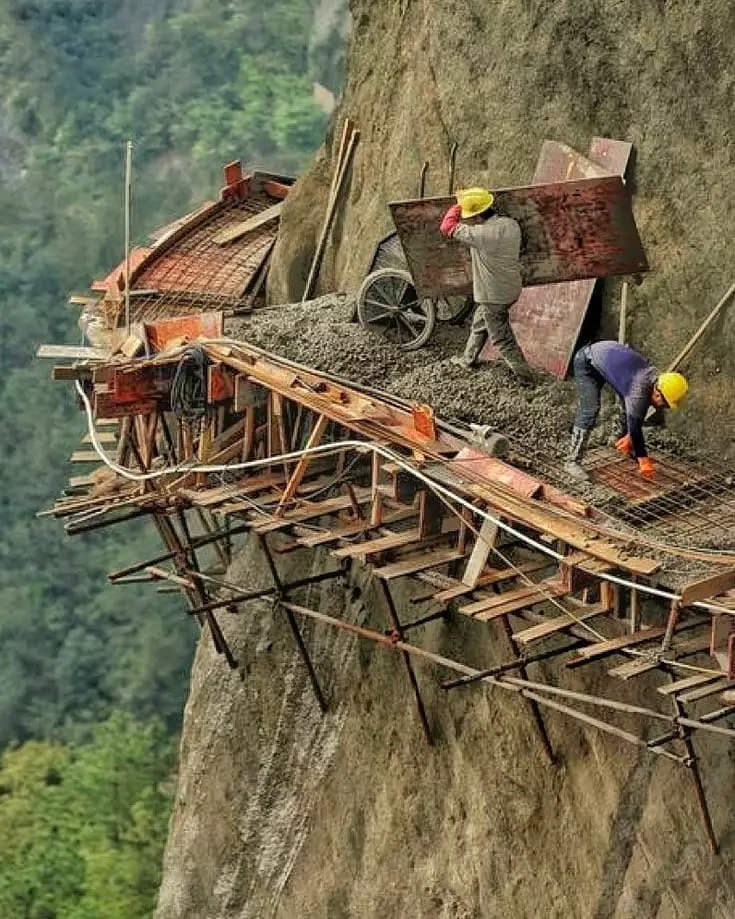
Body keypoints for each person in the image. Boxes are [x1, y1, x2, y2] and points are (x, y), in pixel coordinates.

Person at [439, 187, 534, 384]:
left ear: (478, 216)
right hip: (510, 288)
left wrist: (459, 204)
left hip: (494, 295)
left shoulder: (481, 235)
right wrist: (469, 200)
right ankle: (468, 359)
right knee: (480, 320)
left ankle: (526, 378)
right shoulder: (511, 224)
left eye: (470, 216)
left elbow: (447, 226)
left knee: (502, 338)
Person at [565, 340, 688, 480]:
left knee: (628, 407)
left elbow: (639, 411)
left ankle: (619, 440)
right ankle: (572, 462)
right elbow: (636, 425)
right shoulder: (639, 389)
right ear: (657, 393)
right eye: (665, 404)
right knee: (590, 409)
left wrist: (631, 437)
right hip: (587, 361)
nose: (664, 407)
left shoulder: (654, 378)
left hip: (608, 358)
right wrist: (643, 460)